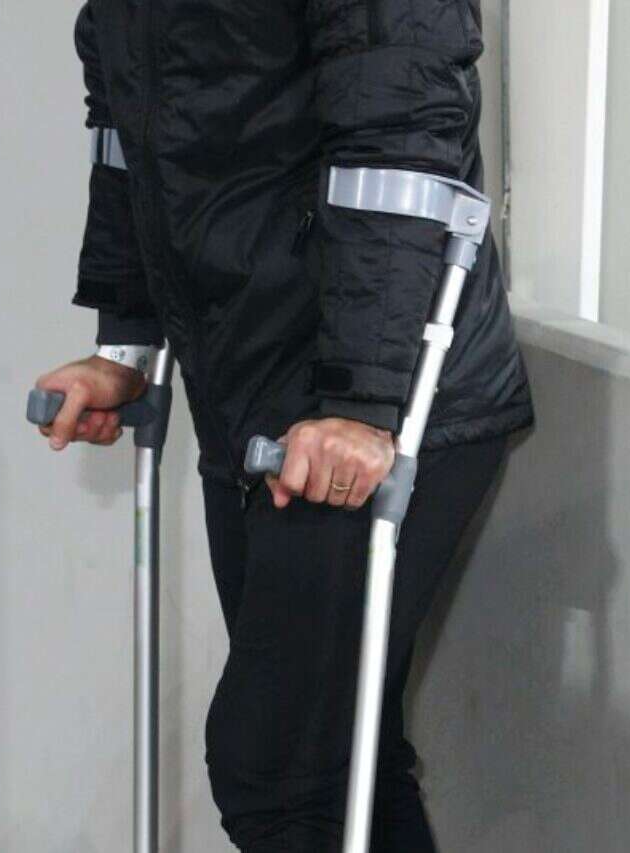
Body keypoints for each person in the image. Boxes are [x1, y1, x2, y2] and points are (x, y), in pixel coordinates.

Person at [33, 2, 534, 850]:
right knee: (340, 768)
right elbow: (129, 131)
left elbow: (401, 133)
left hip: (386, 400)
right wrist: (124, 343)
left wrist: (360, 404)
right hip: (254, 397)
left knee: (275, 770)